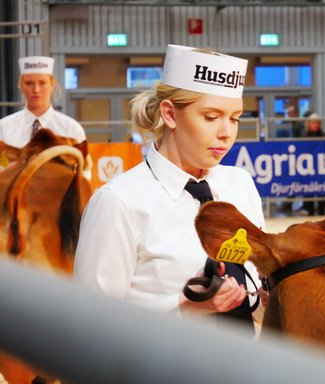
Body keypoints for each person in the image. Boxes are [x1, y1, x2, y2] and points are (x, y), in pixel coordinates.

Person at [73, 45, 265, 332]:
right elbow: (90, 320)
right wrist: (184, 306)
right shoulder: (119, 201)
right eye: (211, 117)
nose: (226, 133)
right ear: (170, 114)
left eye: (235, 118)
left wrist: (270, 298)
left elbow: (256, 297)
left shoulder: (240, 184)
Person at [0, 55, 86, 147]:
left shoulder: (71, 130)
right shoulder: (4, 128)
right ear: (21, 86)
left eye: (42, 83)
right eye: (29, 83)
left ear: (52, 85)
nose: (36, 90)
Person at [301, 113, 325, 216]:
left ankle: (322, 212)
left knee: (322, 189)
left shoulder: (324, 136)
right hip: (308, 167)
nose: (315, 125)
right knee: (308, 188)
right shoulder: (304, 137)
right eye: (313, 123)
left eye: (317, 123)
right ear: (309, 125)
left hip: (321, 166)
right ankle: (309, 211)